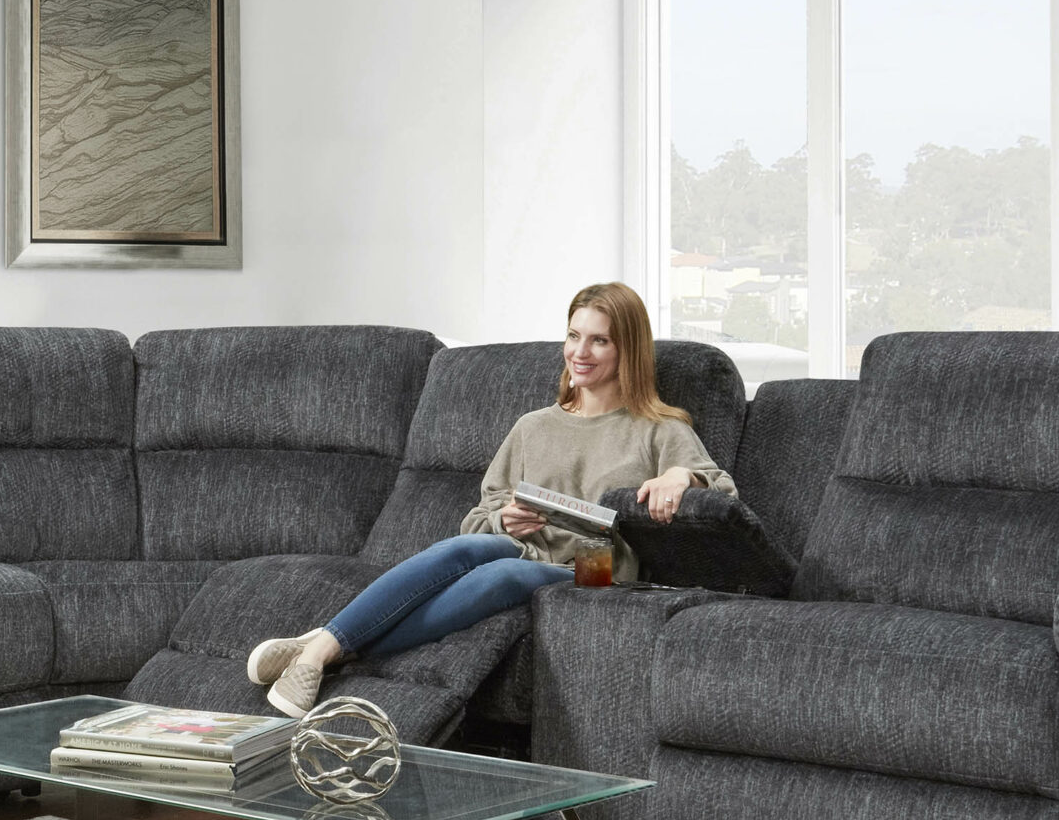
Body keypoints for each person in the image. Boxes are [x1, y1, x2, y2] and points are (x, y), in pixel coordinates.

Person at [248, 280, 737, 718]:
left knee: (502, 574)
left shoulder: (659, 428)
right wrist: (505, 521)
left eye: (599, 340)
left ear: (627, 349)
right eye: (573, 336)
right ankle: (322, 649)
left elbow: (723, 494)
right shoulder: (533, 427)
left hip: (604, 566)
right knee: (471, 550)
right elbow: (477, 517)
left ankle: (316, 651)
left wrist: (680, 477)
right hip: (531, 546)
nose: (579, 351)